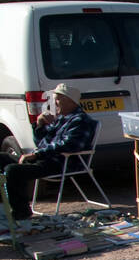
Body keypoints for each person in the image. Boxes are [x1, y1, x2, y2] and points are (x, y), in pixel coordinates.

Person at [0, 84, 97, 221]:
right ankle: (5, 205)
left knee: (13, 170)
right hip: (45, 159)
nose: (54, 103)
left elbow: (67, 145)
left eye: (57, 99)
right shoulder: (61, 118)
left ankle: (21, 213)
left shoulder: (80, 120)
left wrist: (37, 155)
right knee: (2, 159)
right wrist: (39, 125)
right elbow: (41, 143)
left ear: (70, 101)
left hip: (59, 163)